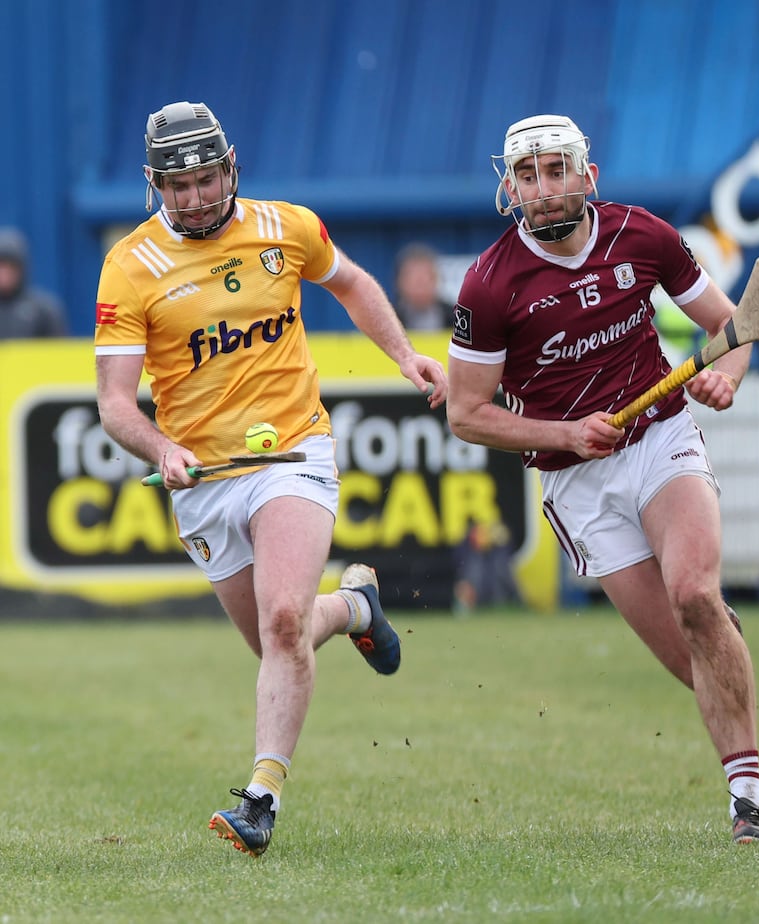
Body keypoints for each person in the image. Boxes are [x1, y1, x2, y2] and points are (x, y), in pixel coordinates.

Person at [94, 101, 447, 857]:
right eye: (176, 185)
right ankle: (355, 606)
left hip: (293, 453)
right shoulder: (130, 265)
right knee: (276, 643)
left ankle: (261, 799)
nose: (193, 197)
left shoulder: (288, 227)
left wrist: (404, 354)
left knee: (284, 621)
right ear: (155, 184)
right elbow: (115, 405)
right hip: (203, 478)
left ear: (232, 168)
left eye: (206, 177)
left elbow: (351, 285)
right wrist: (159, 449)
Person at [446, 114, 759, 844]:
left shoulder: (644, 236)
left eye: (557, 170)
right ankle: (724, 642)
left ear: (587, 176)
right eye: (529, 175)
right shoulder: (489, 284)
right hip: (578, 482)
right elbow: (468, 415)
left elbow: (734, 326)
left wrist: (726, 378)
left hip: (659, 441)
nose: (545, 188)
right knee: (696, 658)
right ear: (510, 188)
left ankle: (748, 802)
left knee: (694, 592)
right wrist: (564, 433)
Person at [0, 227, 68, 338]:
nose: (4, 274)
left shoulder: (44, 311)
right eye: (1, 266)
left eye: (10, 267)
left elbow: (60, 351)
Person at [393, 242, 453, 330]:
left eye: (425, 280)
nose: (420, 288)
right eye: (415, 281)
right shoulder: (390, 318)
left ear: (436, 280)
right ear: (400, 282)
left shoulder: (454, 317)